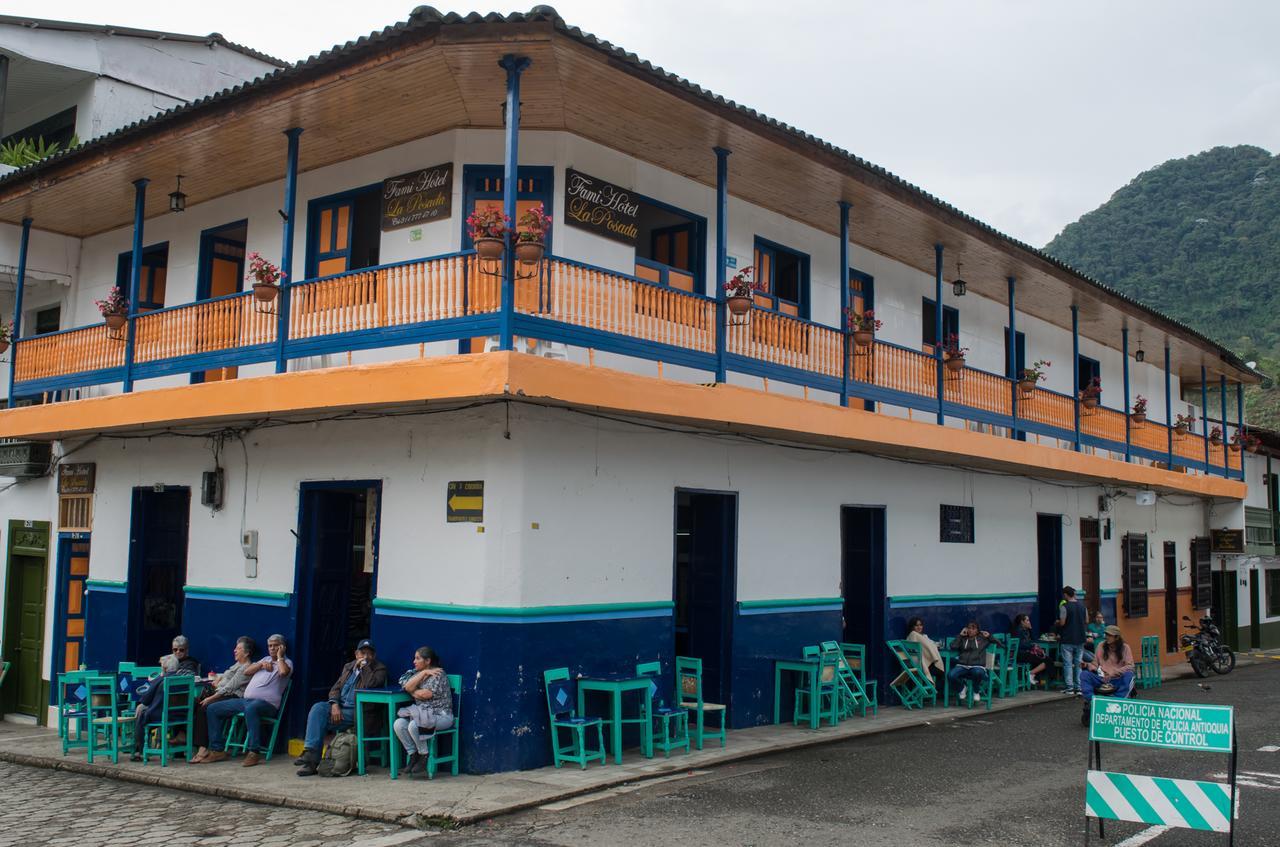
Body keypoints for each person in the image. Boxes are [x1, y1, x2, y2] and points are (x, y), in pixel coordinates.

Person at [296, 639, 387, 776]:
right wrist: (334, 704)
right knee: (318, 709)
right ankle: (311, 758)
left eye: (369, 654)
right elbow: (335, 688)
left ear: (374, 656)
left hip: (359, 712)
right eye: (363, 653)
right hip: (341, 708)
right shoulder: (348, 667)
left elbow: (371, 684)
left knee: (320, 712)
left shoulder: (379, 668)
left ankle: (311, 761)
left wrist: (365, 667)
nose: (366, 657)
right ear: (356, 654)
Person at [199, 634, 293, 766]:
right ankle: (217, 750)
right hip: (246, 701)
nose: (272, 648)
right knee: (213, 708)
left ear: (282, 647)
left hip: (267, 705)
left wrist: (280, 657)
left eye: (276, 645)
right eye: (270, 646)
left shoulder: (286, 662)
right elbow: (247, 671)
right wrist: (260, 665)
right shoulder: (264, 659)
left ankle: (254, 752)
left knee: (251, 708)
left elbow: (283, 672)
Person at [130, 635, 201, 760]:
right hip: (182, 712)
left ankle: (138, 750)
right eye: (175, 650)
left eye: (181, 650)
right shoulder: (179, 676)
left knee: (141, 712)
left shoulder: (187, 666)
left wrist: (163, 675)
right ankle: (179, 748)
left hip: (165, 713)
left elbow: (146, 698)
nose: (178, 652)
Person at [189, 636, 257, 763]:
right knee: (192, 705)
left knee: (204, 708)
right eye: (235, 648)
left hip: (231, 696)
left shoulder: (246, 668)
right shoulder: (236, 665)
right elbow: (225, 676)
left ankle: (204, 749)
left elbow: (230, 687)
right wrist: (217, 679)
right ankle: (187, 741)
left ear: (247, 653)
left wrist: (211, 698)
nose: (235, 651)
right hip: (220, 693)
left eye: (238, 648)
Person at [392, 646, 454, 775]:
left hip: (442, 716)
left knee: (414, 725)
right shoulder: (416, 673)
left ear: (428, 661)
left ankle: (424, 755)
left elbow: (425, 695)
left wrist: (412, 691)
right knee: (399, 724)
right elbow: (406, 685)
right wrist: (423, 673)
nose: (414, 661)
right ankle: (413, 754)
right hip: (422, 714)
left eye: (418, 658)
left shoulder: (438, 674)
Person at [1079, 625, 1135, 721]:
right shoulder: (1101, 645)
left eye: (1110, 635)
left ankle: (1118, 701)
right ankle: (1092, 701)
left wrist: (1114, 673)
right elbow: (1095, 663)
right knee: (1084, 674)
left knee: (1129, 675)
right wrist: (1087, 666)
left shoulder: (1125, 648)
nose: (1107, 637)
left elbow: (1130, 666)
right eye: (1106, 634)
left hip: (1117, 679)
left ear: (1117, 637)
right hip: (1102, 679)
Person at [948, 621, 992, 703]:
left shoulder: (982, 639)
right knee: (951, 675)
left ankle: (976, 691)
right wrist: (960, 635)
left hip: (977, 666)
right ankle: (962, 688)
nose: (970, 630)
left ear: (977, 630)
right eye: (969, 628)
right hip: (962, 665)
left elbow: (1000, 644)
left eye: (973, 628)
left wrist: (989, 636)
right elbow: (952, 646)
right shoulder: (963, 639)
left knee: (977, 672)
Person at [1056, 586, 1088, 696]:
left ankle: (1069, 687)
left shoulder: (1064, 607)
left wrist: (1057, 623)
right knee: (1078, 663)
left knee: (1068, 664)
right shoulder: (1083, 606)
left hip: (1067, 638)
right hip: (1080, 638)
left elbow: (1062, 623)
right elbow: (1086, 620)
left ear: (1065, 595)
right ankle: (1079, 687)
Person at [904, 617, 945, 688]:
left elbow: (928, 644)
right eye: (916, 625)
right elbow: (929, 645)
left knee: (941, 671)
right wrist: (934, 646)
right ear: (912, 626)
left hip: (914, 665)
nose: (919, 627)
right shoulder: (914, 634)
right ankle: (934, 692)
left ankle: (933, 691)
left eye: (920, 625)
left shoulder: (915, 636)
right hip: (919, 666)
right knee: (942, 672)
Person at [1009, 613, 1050, 686]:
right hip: (1020, 654)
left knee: (1046, 659)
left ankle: (1034, 676)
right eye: (1027, 620)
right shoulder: (1018, 631)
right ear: (1022, 622)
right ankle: (1031, 674)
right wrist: (1031, 646)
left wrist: (1031, 629)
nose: (1029, 622)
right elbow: (1019, 644)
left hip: (1026, 653)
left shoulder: (1026, 630)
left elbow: (1034, 640)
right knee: (1047, 660)